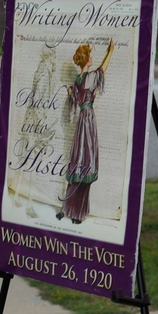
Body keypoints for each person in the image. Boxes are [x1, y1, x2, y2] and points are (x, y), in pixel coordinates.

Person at [56, 40, 115, 224]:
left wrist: (71, 95)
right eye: (90, 55)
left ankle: (70, 209)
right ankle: (77, 212)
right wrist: (110, 51)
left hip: (82, 120)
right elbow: (102, 69)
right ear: (86, 59)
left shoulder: (78, 80)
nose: (92, 58)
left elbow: (75, 101)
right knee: (86, 161)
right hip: (88, 121)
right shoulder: (88, 78)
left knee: (78, 162)